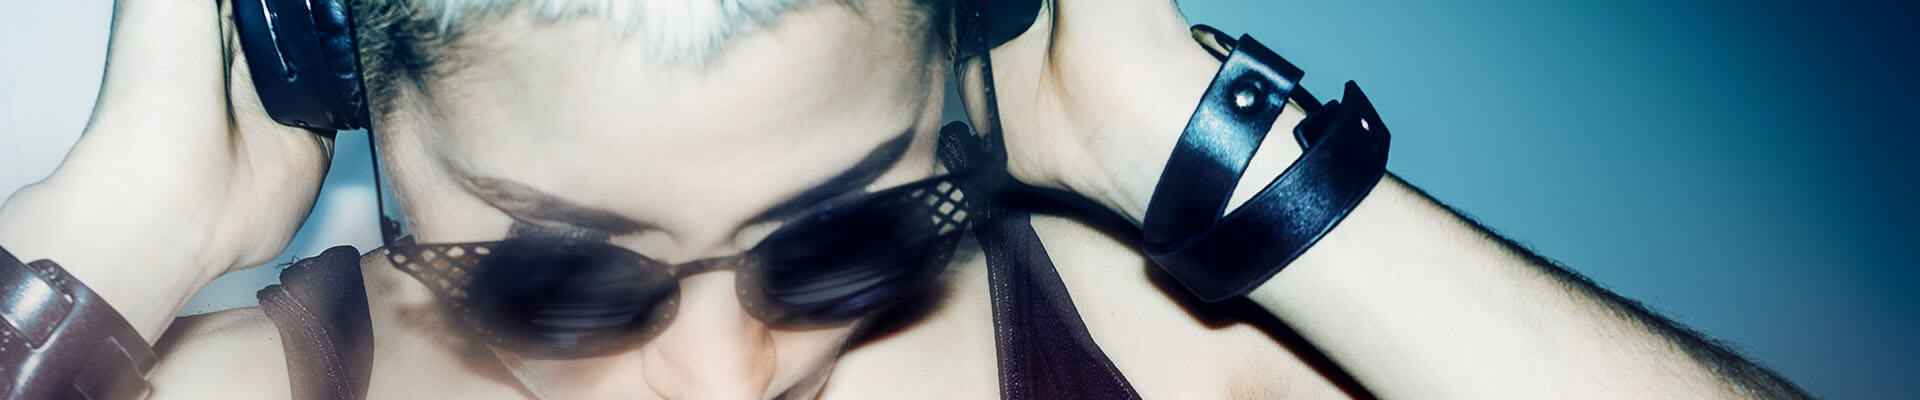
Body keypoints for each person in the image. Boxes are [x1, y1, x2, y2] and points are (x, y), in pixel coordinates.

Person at [0, 0, 1811, 398]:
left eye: (843, 238)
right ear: (342, 95)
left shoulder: (1142, 346)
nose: (732, 381)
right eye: (556, 275)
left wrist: (1194, 140)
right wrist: (120, 233)